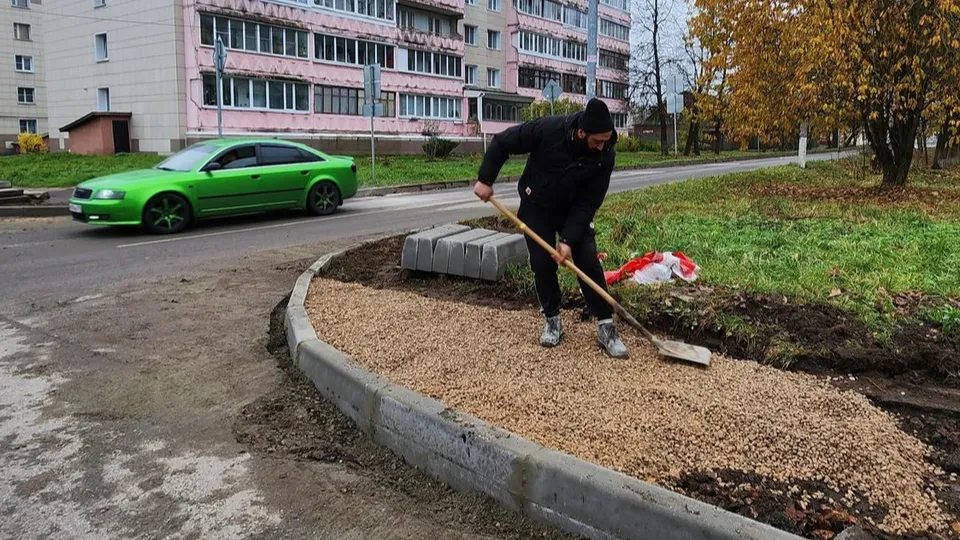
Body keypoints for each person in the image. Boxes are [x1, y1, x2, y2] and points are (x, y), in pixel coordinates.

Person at [473, 98, 628, 359]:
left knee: (587, 259)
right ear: (582, 133)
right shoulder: (548, 129)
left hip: (573, 209)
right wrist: (485, 179)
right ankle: (552, 319)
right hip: (538, 204)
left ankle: (606, 325)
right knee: (542, 263)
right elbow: (502, 142)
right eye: (598, 141)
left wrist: (567, 240)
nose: (602, 146)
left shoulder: (605, 155)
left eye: (606, 140)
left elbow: (589, 202)